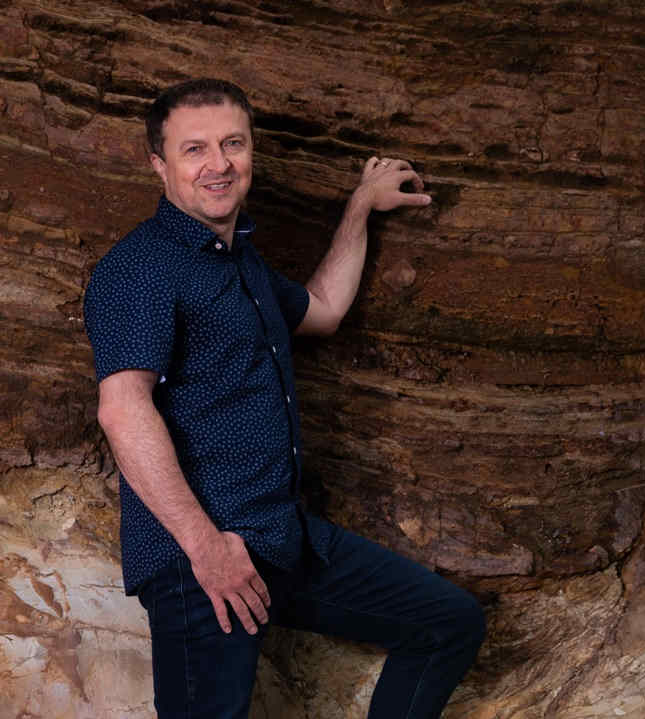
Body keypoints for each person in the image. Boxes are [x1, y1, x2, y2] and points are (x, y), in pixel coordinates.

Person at [83, 78, 485, 719]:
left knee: (448, 622)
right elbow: (123, 409)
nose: (218, 164)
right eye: (194, 150)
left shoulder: (239, 262)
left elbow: (323, 310)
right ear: (159, 164)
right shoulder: (141, 267)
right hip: (201, 559)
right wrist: (207, 549)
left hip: (279, 537)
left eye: (232, 144)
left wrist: (360, 206)